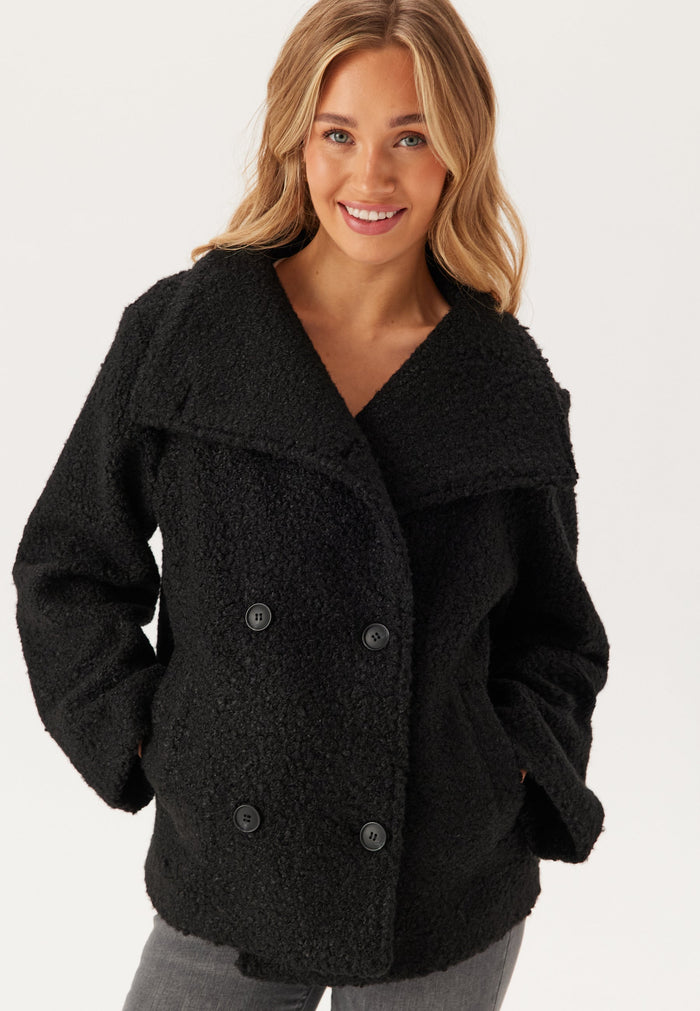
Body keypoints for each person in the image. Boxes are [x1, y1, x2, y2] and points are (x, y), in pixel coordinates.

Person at [11, 1, 610, 1008]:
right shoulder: (186, 332)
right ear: (295, 139)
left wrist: (505, 772)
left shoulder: (502, 382)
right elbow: (68, 567)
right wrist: (155, 739)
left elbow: (554, 635)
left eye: (410, 137)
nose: (370, 177)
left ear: (458, 151)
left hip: (442, 884)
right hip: (229, 867)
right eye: (338, 134)